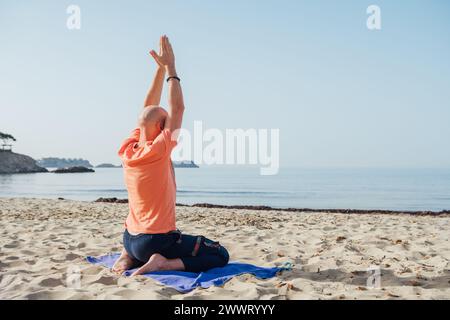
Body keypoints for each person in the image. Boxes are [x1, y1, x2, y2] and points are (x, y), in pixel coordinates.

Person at [112, 36, 229, 276]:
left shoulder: (128, 149)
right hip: (154, 243)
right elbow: (179, 108)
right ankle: (163, 263)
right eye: (166, 123)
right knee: (219, 254)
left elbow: (147, 109)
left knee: (141, 243)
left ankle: (127, 257)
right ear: (161, 128)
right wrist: (171, 69)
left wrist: (158, 69)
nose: (170, 126)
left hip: (130, 238)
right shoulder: (160, 149)